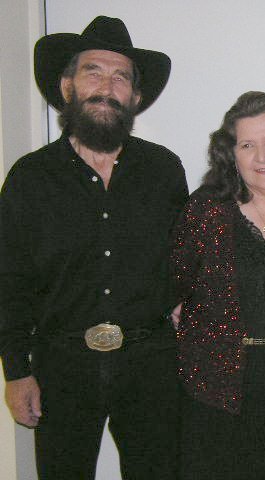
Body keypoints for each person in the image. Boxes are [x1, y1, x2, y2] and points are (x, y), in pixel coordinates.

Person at [0, 16, 188, 479]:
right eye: (93, 71)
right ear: (67, 86)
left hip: (152, 367)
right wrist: (16, 371)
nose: (107, 85)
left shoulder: (164, 170)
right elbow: (9, 279)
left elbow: (187, 257)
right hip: (60, 368)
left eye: (120, 76)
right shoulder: (29, 178)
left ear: (135, 96)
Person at [172, 91, 265, 480]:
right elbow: (172, 287)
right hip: (212, 395)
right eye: (247, 145)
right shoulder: (204, 210)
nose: (262, 157)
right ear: (231, 154)